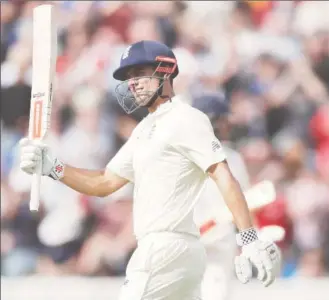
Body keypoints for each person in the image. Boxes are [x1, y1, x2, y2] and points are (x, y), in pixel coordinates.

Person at [19, 40, 280, 300]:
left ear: (165, 71)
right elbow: (105, 183)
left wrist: (248, 237)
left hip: (165, 248)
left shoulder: (186, 118)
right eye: (129, 77)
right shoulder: (143, 130)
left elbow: (223, 175)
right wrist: (53, 167)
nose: (133, 83)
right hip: (176, 251)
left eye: (140, 73)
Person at [191, 92, 251, 300]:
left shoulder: (232, 158)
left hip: (218, 245)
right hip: (188, 244)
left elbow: (246, 205)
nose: (228, 125)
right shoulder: (179, 158)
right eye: (224, 120)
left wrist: (251, 240)